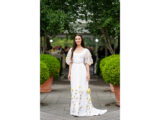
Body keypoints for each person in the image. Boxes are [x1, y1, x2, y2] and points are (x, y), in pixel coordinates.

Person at [65, 34, 107, 117]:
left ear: (81, 40)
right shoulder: (71, 50)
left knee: (83, 89)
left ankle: (83, 109)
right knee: (75, 88)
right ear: (74, 40)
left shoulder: (86, 50)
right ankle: (75, 110)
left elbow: (87, 63)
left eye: (79, 39)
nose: (77, 40)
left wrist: (88, 73)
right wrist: (69, 73)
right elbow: (70, 62)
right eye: (76, 39)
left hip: (82, 70)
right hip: (74, 71)